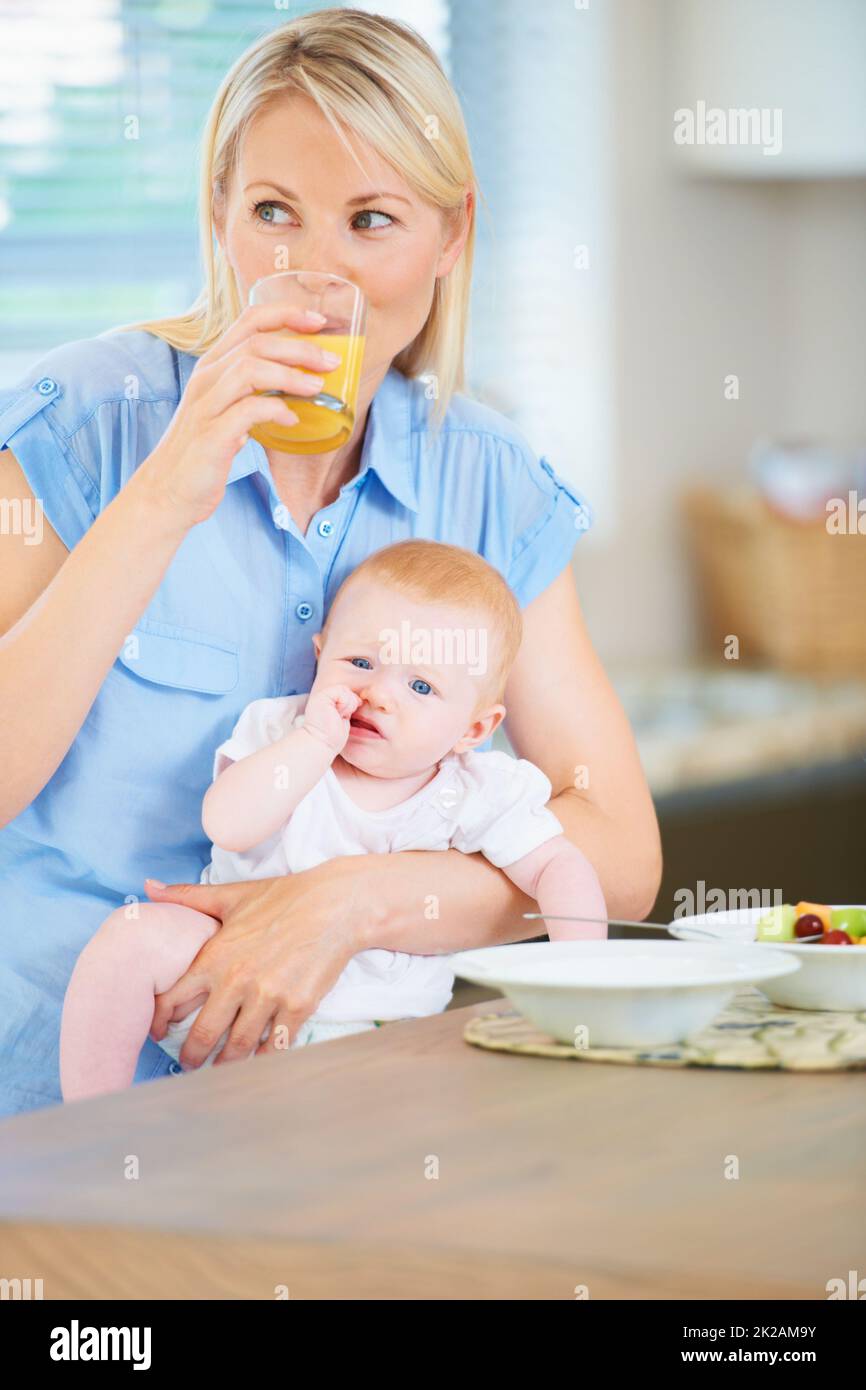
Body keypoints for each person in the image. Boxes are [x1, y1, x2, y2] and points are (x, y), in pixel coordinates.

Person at [0, 10, 661, 1116]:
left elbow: (617, 848)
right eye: (271, 214)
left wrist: (350, 900)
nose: (311, 274)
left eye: (369, 221)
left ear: (450, 236)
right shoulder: (85, 425)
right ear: (218, 213)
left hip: (349, 1121)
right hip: (49, 1120)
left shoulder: (486, 481)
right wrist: (165, 492)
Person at [59, 540, 609, 1101]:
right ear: (320, 655)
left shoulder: (475, 788)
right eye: (360, 663)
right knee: (130, 939)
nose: (377, 695)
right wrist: (314, 743)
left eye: (421, 686)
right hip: (221, 980)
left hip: (380, 1028)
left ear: (473, 729)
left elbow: (557, 867)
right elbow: (227, 825)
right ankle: (92, 1117)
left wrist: (581, 973)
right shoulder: (284, 731)